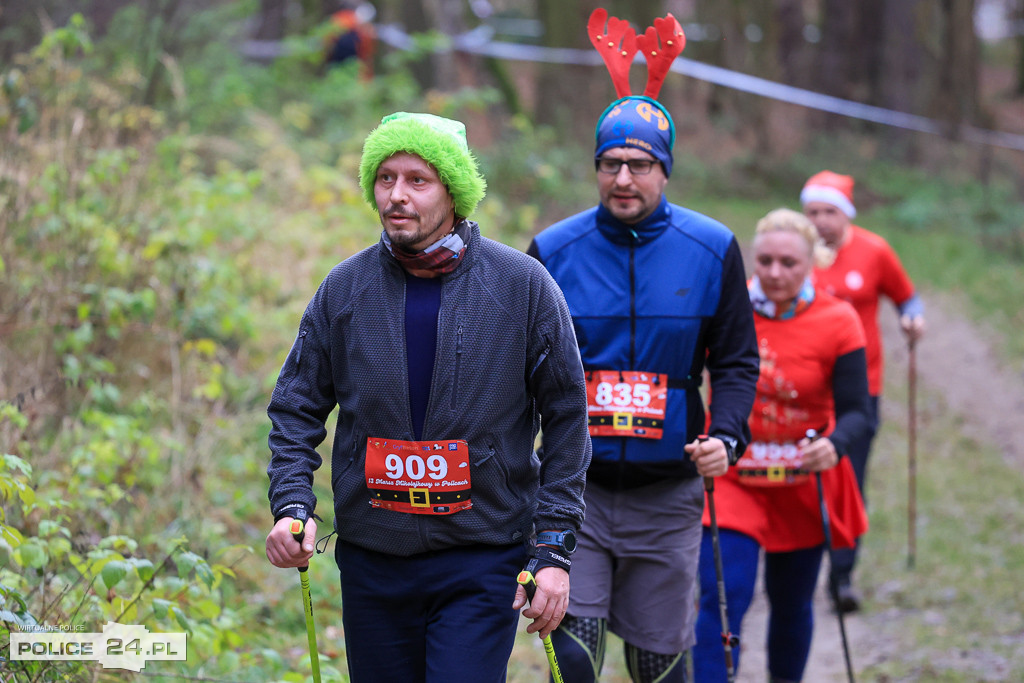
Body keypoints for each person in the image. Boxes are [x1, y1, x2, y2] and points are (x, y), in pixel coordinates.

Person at [265, 111, 592, 683]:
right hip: (374, 560)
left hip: (481, 555)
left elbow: (567, 422)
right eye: (385, 177)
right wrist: (292, 505)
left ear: (454, 190)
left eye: (418, 180)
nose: (397, 195)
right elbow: (296, 407)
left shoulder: (523, 287)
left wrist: (554, 550)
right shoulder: (344, 290)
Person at [527, 11, 760, 681]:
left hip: (670, 492)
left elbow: (738, 359)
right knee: (574, 658)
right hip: (578, 492)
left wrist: (730, 434)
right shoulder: (552, 251)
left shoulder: (711, 248)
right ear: (595, 167)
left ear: (665, 170)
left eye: (639, 164)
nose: (623, 178)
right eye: (610, 163)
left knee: (660, 662)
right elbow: (518, 370)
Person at [692, 208, 871, 683]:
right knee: (722, 596)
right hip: (734, 475)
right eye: (765, 260)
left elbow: (859, 411)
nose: (773, 273)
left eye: (788, 263)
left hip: (801, 480)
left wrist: (836, 443)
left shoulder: (839, 320)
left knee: (792, 603)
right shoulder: (727, 309)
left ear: (812, 262)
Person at [801, 170, 926, 612]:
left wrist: (913, 319)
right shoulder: (796, 252)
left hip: (860, 390)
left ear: (846, 214)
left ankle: (841, 576)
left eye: (829, 212)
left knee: (848, 480)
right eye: (812, 211)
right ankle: (794, 567)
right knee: (796, 478)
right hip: (803, 392)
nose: (820, 221)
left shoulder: (874, 251)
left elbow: (908, 297)